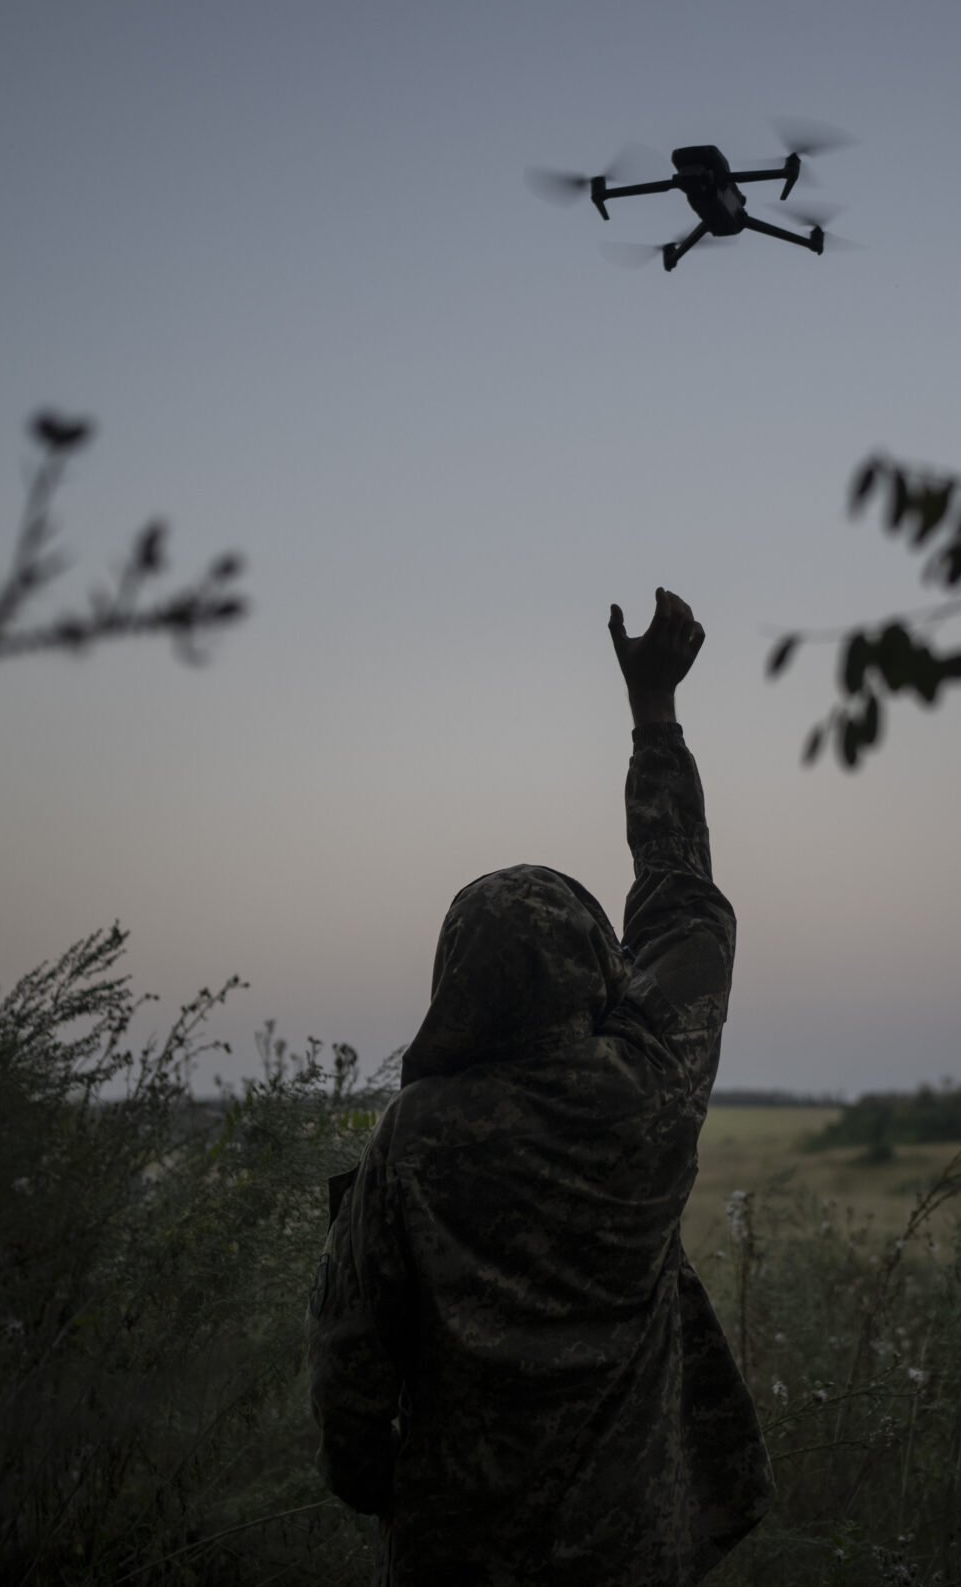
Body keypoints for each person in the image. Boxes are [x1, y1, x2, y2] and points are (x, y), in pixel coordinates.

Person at [308, 587, 771, 1585]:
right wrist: (655, 717)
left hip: (456, 1551)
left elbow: (351, 1353)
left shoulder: (415, 1137)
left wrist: (369, 1482)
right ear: (597, 971)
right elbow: (682, 899)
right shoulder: (650, 1091)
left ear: (457, 979)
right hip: (632, 1549)